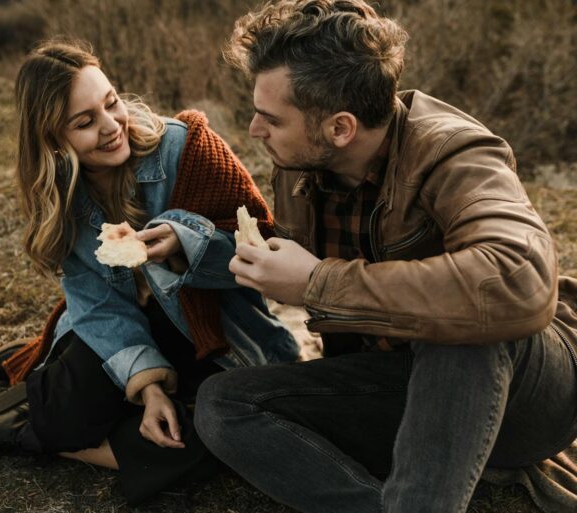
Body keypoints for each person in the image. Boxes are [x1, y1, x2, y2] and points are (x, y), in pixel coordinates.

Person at [193, 1, 577, 512]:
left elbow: (516, 278)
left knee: (458, 319)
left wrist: (317, 285)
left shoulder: (456, 154)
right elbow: (286, 258)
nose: (255, 131)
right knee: (224, 404)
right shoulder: (299, 164)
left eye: (270, 119)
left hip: (532, 398)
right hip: (400, 385)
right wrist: (192, 249)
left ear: (340, 128)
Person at [0, 39, 299, 505]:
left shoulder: (189, 148)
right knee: (71, 414)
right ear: (52, 141)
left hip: (215, 334)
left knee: (216, 439)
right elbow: (97, 301)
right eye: (84, 122)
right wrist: (149, 388)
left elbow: (262, 246)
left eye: (111, 103)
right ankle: (34, 408)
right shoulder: (62, 197)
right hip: (125, 324)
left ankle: (26, 425)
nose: (110, 126)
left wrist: (184, 245)